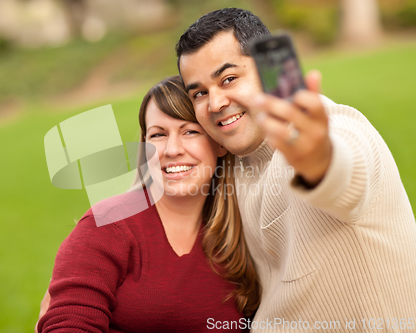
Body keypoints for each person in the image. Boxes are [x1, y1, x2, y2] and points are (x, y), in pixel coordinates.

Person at [176, 7, 416, 332]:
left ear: (268, 71)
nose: (215, 103)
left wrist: (319, 161)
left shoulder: (335, 126)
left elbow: (347, 169)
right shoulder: (231, 166)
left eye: (229, 79)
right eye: (200, 93)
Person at [36, 76, 259, 333]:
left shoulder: (243, 234)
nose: (172, 149)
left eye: (190, 131)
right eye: (158, 135)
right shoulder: (107, 226)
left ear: (220, 143)